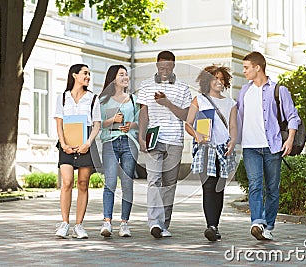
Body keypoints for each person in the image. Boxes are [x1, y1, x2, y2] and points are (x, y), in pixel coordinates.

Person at [236, 51, 301, 240]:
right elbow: (238, 117)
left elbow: (292, 117)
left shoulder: (279, 90)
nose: (244, 71)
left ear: (258, 67)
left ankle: (269, 226)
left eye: (246, 67)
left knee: (272, 188)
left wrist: (289, 139)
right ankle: (257, 222)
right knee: (255, 185)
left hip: (273, 146)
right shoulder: (244, 91)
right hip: (250, 147)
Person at [137, 51, 192, 238]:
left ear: (174, 66)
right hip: (154, 139)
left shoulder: (183, 88)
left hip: (175, 141)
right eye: (161, 67)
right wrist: (141, 136)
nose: (165, 70)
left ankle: (163, 225)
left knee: (169, 184)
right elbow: (143, 113)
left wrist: (167, 103)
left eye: (168, 67)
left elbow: (186, 116)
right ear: (157, 66)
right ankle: (154, 223)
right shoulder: (145, 85)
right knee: (153, 180)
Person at [185, 65, 237, 242]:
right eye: (215, 78)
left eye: (222, 79)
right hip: (205, 149)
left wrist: (233, 141)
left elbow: (233, 127)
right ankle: (211, 226)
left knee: (219, 188)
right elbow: (188, 123)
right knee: (208, 188)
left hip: (223, 149)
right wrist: (197, 134)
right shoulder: (199, 100)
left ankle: (215, 224)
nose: (219, 82)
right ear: (208, 81)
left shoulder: (230, 103)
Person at [54, 64, 101, 239]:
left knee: (83, 183)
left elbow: (97, 124)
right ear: (74, 75)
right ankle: (64, 223)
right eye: (85, 73)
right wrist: (63, 143)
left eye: (89, 74)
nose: (88, 76)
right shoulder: (63, 98)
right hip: (66, 143)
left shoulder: (93, 99)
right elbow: (59, 123)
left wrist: (88, 143)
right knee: (66, 182)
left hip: (86, 144)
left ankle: (79, 226)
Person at [98, 65, 139, 238]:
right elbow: (97, 123)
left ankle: (124, 223)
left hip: (129, 141)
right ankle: (107, 222)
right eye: (121, 74)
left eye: (126, 74)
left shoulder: (133, 99)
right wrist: (112, 120)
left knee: (127, 183)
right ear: (113, 78)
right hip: (110, 142)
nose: (125, 77)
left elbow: (140, 122)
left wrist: (131, 125)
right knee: (110, 183)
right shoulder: (103, 100)